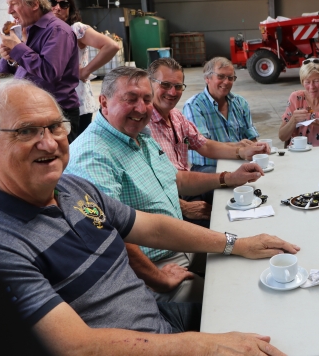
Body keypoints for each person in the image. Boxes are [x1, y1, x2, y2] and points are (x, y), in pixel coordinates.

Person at [0, 79, 297, 355]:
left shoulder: (72, 188)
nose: (49, 143)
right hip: (138, 344)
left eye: (55, 127)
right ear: (104, 103)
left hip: (156, 317)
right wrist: (204, 346)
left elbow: (153, 228)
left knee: (264, 313)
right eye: (26, 131)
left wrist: (239, 244)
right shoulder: (6, 243)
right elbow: (77, 347)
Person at [65, 66, 268, 303]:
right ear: (104, 102)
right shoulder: (93, 156)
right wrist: (159, 280)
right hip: (151, 269)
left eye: (146, 99)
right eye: (130, 99)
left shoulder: (139, 135)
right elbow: (111, 236)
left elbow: (177, 179)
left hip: (179, 246)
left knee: (251, 266)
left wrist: (227, 178)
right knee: (234, 298)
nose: (141, 108)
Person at [147, 57, 268, 227]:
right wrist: (183, 207)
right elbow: (147, 184)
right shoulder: (143, 125)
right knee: (225, 217)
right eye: (165, 85)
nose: (173, 92)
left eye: (178, 86)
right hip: (166, 203)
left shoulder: (176, 116)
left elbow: (204, 144)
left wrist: (241, 151)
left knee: (239, 200)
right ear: (149, 84)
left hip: (183, 188)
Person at [0, 0, 80, 141]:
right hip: (33, 110)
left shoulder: (58, 30)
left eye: (14, 4)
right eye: (8, 5)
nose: (9, 11)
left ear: (35, 4)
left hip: (56, 115)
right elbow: (25, 68)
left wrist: (18, 47)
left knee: (56, 156)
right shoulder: (29, 29)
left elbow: (50, 72)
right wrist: (10, 58)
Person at [47, 0, 120, 135]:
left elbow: (111, 46)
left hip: (76, 103)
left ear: (70, 9)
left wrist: (86, 71)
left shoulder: (75, 29)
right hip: (51, 101)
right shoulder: (43, 32)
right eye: (52, 2)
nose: (57, 8)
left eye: (63, 4)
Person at [183, 57, 260, 173]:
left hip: (239, 161)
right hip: (209, 166)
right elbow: (204, 146)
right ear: (207, 78)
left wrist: (257, 148)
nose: (226, 82)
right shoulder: (194, 106)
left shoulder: (240, 102)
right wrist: (238, 149)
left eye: (230, 78)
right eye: (221, 76)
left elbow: (252, 138)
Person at [279, 58, 319, 146]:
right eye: (307, 82)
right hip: (299, 152)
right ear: (302, 82)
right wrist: (293, 120)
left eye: (316, 81)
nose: (312, 87)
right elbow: (282, 137)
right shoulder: (296, 98)